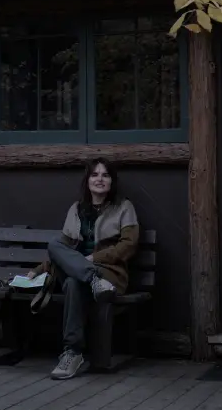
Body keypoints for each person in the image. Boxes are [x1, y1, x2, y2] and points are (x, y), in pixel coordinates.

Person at [28, 158, 139, 380]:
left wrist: (93, 257)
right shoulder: (76, 209)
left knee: (72, 281)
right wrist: (38, 271)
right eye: (94, 174)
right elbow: (63, 251)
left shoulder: (124, 207)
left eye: (105, 175)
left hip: (109, 274)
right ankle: (91, 280)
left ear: (111, 181)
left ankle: (73, 351)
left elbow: (129, 245)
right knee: (55, 246)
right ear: (87, 181)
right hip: (89, 278)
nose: (99, 179)